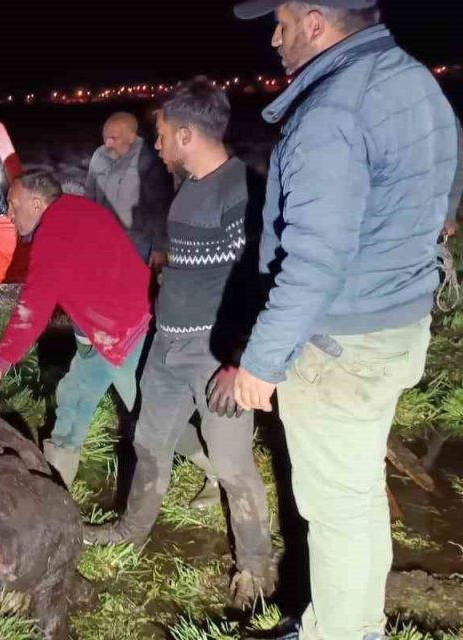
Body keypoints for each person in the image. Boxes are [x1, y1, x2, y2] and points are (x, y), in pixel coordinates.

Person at [229, 2, 460, 638]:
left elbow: (313, 260)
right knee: (355, 501)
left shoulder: (331, 113)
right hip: (396, 326)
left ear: (315, 21)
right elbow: (447, 196)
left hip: (339, 343)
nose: (273, 39)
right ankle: (355, 625)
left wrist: (262, 361)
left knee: (334, 510)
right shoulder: (413, 81)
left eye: (280, 22)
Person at [81, 78, 275, 608]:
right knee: (148, 443)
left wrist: (240, 359)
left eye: (162, 135)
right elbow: (186, 260)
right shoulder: (185, 187)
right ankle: (131, 531)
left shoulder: (245, 192)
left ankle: (256, 568)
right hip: (167, 345)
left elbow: (264, 281)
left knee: (233, 466)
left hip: (215, 356)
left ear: (187, 134)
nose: (157, 145)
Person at [0, 172, 213, 486]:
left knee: (155, 418)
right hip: (101, 335)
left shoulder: (53, 233)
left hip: (126, 336)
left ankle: (216, 471)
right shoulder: (74, 209)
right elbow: (84, 280)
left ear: (37, 203)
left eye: (13, 205)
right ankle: (55, 486)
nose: (8, 213)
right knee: (73, 398)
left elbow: (34, 304)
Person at [86, 112, 174, 270]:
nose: (108, 143)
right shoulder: (99, 157)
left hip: (137, 240)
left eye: (114, 138)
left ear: (132, 137)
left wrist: (159, 247)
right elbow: (90, 196)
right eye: (105, 137)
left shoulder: (149, 162)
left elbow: (160, 208)